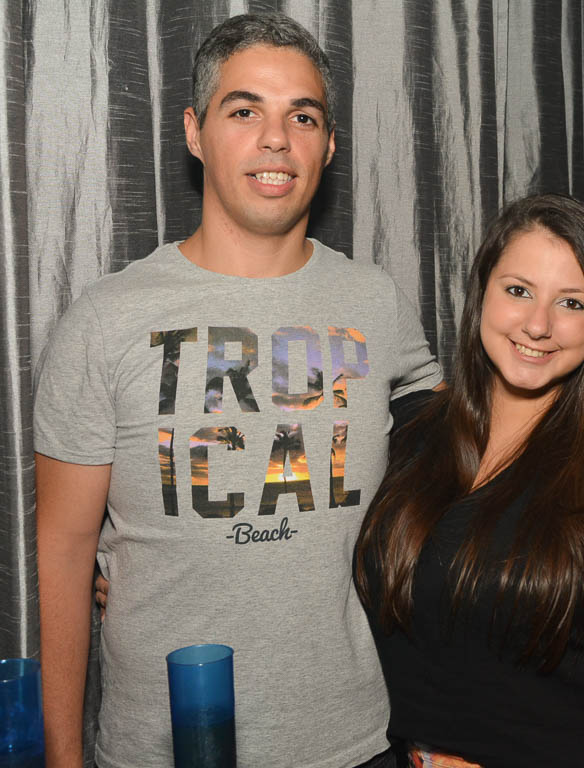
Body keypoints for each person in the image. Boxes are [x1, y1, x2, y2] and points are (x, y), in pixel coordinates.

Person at [33, 13, 440, 768]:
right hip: (160, 751)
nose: (276, 138)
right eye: (244, 110)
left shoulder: (377, 305)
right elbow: (63, 550)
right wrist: (62, 759)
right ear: (195, 132)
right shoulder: (105, 319)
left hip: (354, 744)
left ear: (329, 144)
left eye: (303, 116)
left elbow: (487, 451)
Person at [354, 193, 584, 768]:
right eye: (518, 290)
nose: (539, 325)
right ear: (482, 293)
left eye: (571, 302)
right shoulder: (413, 436)